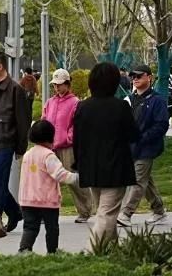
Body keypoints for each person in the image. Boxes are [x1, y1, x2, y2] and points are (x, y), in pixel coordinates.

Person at [73, 62, 139, 246]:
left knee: (104, 213)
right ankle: (91, 252)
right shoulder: (121, 107)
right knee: (106, 214)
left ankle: (112, 251)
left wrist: (78, 163)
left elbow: (77, 139)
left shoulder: (82, 107)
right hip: (116, 168)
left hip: (91, 169)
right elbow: (134, 135)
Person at [0, 50, 30, 232]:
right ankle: (15, 212)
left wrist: (20, 147)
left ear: (0, 66)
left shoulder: (16, 90)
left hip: (5, 143)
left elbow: (23, 121)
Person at [118, 64, 170, 227]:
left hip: (147, 147)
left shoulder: (157, 100)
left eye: (139, 76)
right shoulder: (130, 99)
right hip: (131, 147)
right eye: (133, 76)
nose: (135, 79)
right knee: (146, 180)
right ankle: (159, 211)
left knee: (137, 180)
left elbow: (162, 125)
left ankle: (125, 214)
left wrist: (143, 138)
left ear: (149, 77)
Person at [18, 120, 79, 254]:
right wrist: (76, 178)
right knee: (52, 229)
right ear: (51, 136)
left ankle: (24, 249)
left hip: (28, 200)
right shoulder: (48, 155)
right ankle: (52, 252)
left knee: (30, 227)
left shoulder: (28, 154)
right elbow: (60, 174)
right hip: (47, 201)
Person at [42, 69, 92, 223]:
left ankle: (85, 209)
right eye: (54, 85)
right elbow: (44, 120)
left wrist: (68, 138)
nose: (56, 87)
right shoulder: (50, 102)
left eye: (59, 84)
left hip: (67, 146)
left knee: (72, 178)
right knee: (48, 179)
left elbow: (77, 124)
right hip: (50, 146)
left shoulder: (75, 102)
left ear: (67, 84)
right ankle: (46, 212)